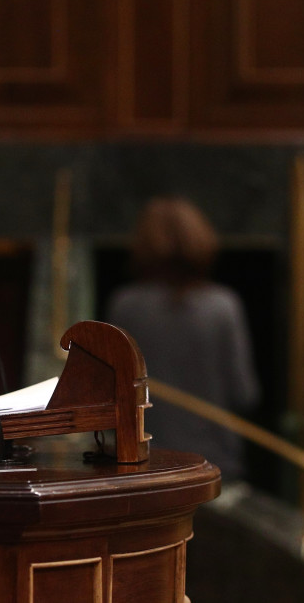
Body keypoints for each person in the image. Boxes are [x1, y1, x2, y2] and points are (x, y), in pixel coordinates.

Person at [105, 197, 260, 481]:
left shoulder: (125, 305)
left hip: (144, 460)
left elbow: (110, 391)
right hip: (214, 461)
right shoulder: (224, 306)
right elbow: (244, 393)